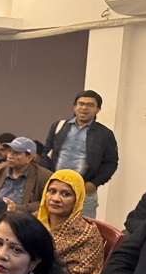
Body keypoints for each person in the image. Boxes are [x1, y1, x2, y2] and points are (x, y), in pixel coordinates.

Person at [41, 90, 118, 218]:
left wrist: (94, 183)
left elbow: (111, 163)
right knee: (48, 225)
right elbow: (46, 153)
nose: (84, 108)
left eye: (90, 105)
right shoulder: (59, 126)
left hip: (84, 191)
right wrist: (48, 177)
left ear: (98, 109)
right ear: (74, 106)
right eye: (81, 104)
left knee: (81, 228)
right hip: (55, 189)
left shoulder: (105, 134)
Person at [35, 169, 104, 274]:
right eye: (52, 191)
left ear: (78, 199)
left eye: (66, 194)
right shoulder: (34, 220)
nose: (56, 198)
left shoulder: (87, 235)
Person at [0, 136, 52, 213]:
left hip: (21, 217)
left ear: (29, 158)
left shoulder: (44, 176)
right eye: (9, 151)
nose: (9, 156)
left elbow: (46, 203)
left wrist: (17, 208)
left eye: (16, 153)